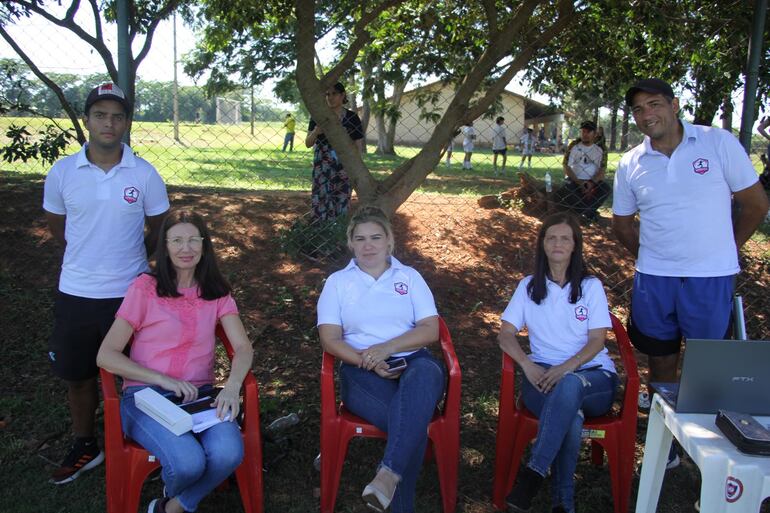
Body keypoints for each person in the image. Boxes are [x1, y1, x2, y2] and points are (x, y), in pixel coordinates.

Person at [613, 78, 769, 467]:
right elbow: (621, 225)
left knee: (706, 364)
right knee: (660, 358)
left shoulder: (717, 144)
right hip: (655, 278)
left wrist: (724, 249)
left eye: (654, 104)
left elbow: (755, 204)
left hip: (710, 279)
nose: (647, 115)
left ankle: (705, 447)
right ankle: (664, 443)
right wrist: (655, 256)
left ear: (674, 104)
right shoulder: (631, 162)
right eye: (638, 110)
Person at [43, 82, 170, 484]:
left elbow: (160, 226)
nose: (109, 123)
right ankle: (85, 443)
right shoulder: (62, 172)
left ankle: (150, 443)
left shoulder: (144, 173)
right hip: (76, 292)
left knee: (140, 374)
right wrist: (86, 257)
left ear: (127, 123)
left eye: (117, 116)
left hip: (131, 293)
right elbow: (57, 227)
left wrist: (136, 256)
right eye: (100, 115)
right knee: (78, 375)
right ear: (88, 120)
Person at [96, 210, 254, 513]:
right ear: (164, 246)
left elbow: (243, 347)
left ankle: (173, 506)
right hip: (145, 397)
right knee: (188, 462)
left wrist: (232, 387)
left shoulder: (217, 292)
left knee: (228, 452)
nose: (186, 248)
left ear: (205, 245)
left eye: (194, 240)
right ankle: (181, 489)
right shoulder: (145, 288)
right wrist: (163, 380)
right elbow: (107, 354)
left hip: (200, 397)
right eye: (177, 240)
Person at [317, 206, 446, 513]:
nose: (368, 245)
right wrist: (371, 361)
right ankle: (398, 497)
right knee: (410, 418)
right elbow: (330, 339)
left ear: (390, 241)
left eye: (376, 237)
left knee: (426, 375)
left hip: (412, 362)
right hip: (361, 369)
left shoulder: (409, 277)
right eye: (360, 239)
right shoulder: (337, 282)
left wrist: (387, 349)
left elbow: (430, 330)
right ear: (350, 244)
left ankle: (388, 472)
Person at [498, 212, 618, 513]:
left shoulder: (590, 286)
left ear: (575, 245)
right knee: (571, 417)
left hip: (594, 379)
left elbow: (597, 341)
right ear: (542, 244)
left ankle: (533, 475)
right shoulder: (528, 286)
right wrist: (527, 365)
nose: (558, 243)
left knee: (570, 385)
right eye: (551, 237)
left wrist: (566, 367)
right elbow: (506, 335)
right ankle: (563, 503)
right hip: (541, 377)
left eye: (565, 238)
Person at [305, 82, 364, 221]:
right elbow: (308, 143)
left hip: (344, 162)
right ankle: (320, 231)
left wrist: (355, 165)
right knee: (321, 197)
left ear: (342, 95)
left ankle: (337, 232)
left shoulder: (352, 118)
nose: (330, 97)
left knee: (341, 197)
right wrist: (316, 132)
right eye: (327, 94)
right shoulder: (317, 116)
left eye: (334, 94)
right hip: (322, 164)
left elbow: (358, 145)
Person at [555, 120, 610, 221]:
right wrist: (579, 182)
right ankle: (589, 212)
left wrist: (592, 182)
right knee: (566, 188)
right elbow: (566, 166)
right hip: (574, 179)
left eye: (588, 132)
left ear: (595, 134)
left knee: (606, 189)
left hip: (592, 181)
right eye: (583, 131)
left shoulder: (600, 148)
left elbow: (602, 170)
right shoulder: (574, 145)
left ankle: (583, 211)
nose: (585, 134)